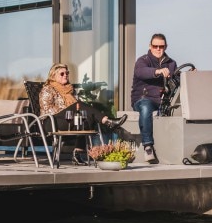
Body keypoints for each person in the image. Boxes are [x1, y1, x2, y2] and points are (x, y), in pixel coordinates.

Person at [39, 63, 127, 132]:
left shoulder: (70, 90)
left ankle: (78, 150)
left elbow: (77, 108)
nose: (65, 75)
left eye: (67, 73)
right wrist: (67, 110)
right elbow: (47, 108)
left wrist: (72, 111)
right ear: (53, 76)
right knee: (78, 106)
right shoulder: (48, 89)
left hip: (68, 120)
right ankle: (107, 121)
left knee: (86, 119)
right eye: (62, 74)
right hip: (51, 122)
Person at [130, 33, 177, 164]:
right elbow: (141, 72)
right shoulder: (142, 60)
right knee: (145, 108)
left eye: (161, 46)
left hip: (163, 101)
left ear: (165, 47)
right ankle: (148, 146)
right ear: (150, 46)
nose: (158, 49)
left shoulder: (172, 64)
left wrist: (189, 75)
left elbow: (176, 79)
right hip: (143, 99)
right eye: (155, 46)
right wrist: (157, 71)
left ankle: (175, 149)